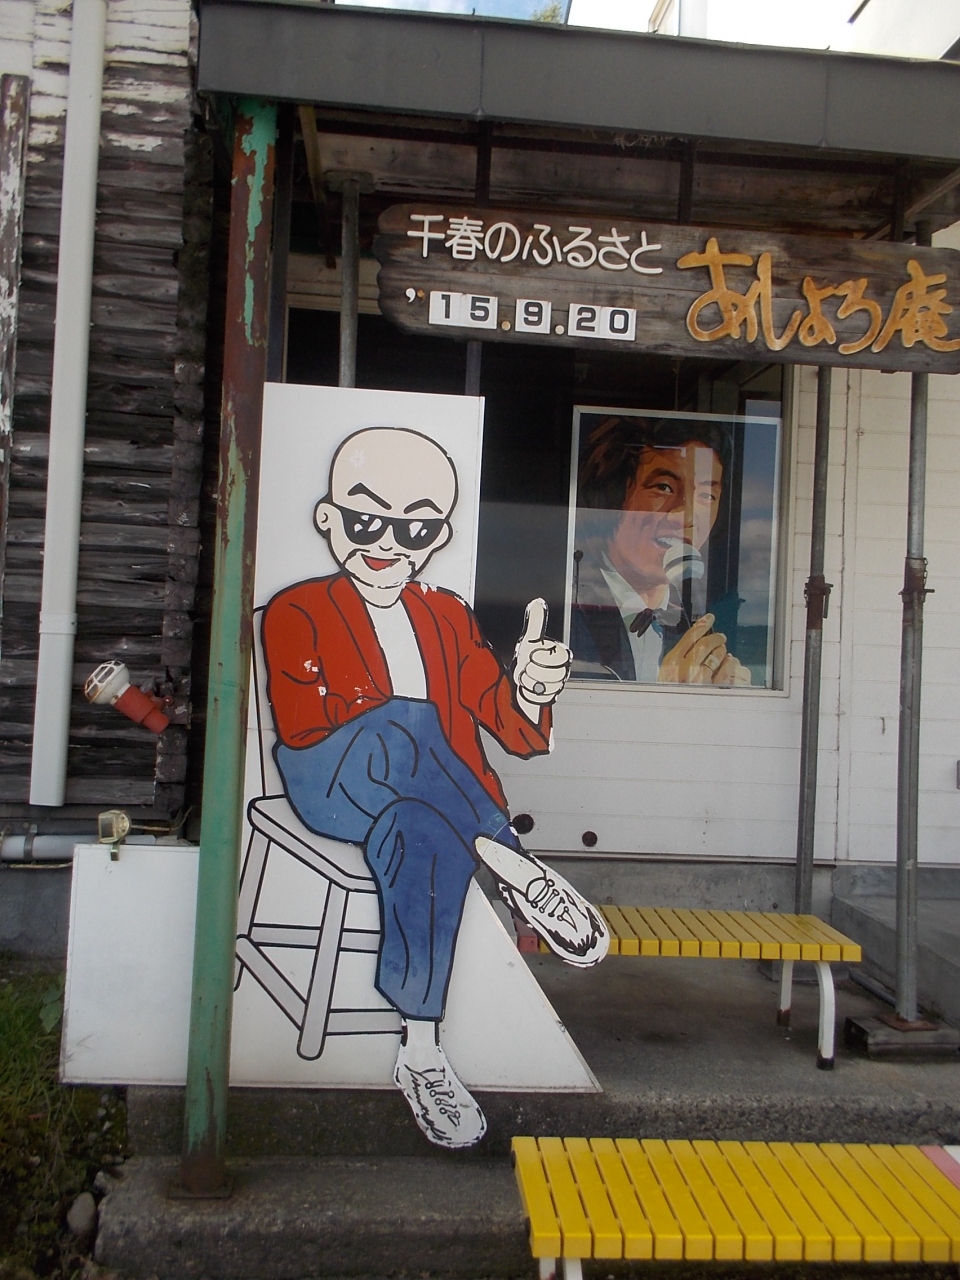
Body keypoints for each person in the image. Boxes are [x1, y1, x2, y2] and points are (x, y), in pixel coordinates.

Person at [262, 427, 609, 1151]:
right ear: (329, 518)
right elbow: (303, 722)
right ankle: (512, 862)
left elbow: (511, 728)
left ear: (438, 536)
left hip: (426, 804)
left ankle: (420, 1053)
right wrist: (398, 713)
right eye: (366, 520)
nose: (388, 541)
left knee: (419, 835)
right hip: (329, 777)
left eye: (414, 526)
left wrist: (531, 687)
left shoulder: (446, 614)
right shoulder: (298, 609)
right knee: (406, 721)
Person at [570, 414, 751, 686]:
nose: (686, 517)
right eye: (664, 488)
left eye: (706, 496)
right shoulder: (567, 608)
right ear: (609, 497)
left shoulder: (695, 621)